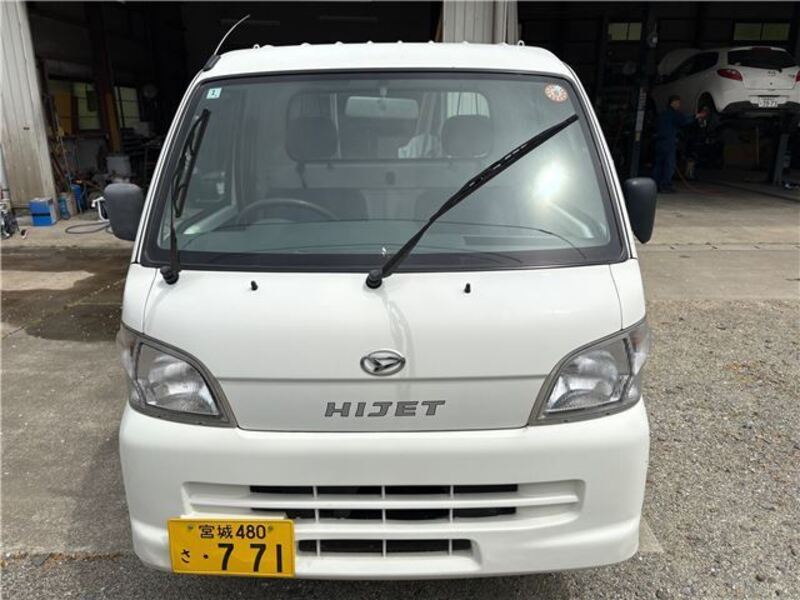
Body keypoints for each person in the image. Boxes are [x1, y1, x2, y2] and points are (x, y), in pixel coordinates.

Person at [652, 95, 708, 193]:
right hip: (668, 143)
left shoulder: (662, 114)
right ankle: (665, 185)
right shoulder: (673, 114)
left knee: (659, 165)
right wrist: (698, 116)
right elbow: (684, 120)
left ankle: (655, 185)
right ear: (673, 103)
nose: (679, 105)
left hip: (659, 142)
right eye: (678, 103)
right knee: (669, 165)